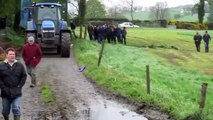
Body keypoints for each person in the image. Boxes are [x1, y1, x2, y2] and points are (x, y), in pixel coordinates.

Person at [0, 48, 27, 120]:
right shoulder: (1, 65)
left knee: (16, 108)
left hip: (16, 91)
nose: (12, 56)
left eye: (13, 54)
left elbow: (24, 76)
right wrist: (3, 87)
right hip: (5, 92)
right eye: (10, 54)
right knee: (5, 111)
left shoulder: (19, 65)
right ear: (6, 55)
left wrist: (20, 85)